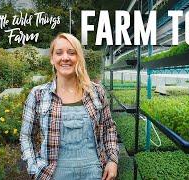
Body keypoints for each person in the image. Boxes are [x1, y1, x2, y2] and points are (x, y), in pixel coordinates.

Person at [20, 33, 119, 180]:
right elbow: (26, 136)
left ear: (78, 57)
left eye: (71, 53)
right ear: (52, 59)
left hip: (94, 173)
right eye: (59, 53)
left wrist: (112, 160)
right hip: (53, 174)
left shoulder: (96, 92)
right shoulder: (38, 95)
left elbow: (109, 127)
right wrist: (34, 169)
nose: (65, 57)